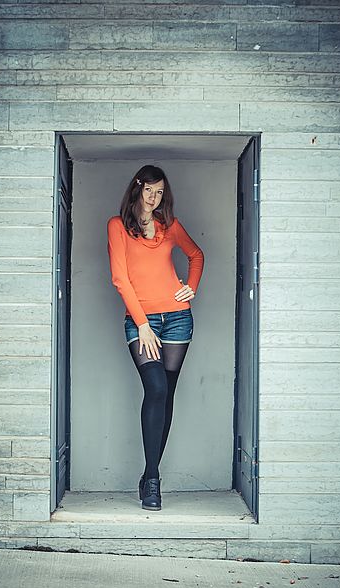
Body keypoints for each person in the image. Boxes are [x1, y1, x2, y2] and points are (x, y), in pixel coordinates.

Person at [107, 165, 204, 511]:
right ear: (137, 189)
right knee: (157, 389)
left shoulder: (169, 226)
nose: (154, 197)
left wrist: (190, 288)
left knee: (168, 393)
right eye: (149, 190)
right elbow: (121, 279)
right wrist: (143, 323)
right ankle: (153, 479)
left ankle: (150, 477)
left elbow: (196, 255)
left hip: (178, 319)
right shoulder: (118, 226)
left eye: (160, 192)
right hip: (142, 323)